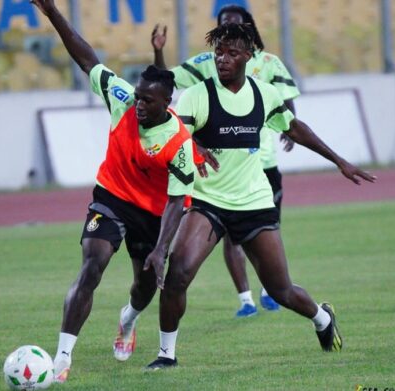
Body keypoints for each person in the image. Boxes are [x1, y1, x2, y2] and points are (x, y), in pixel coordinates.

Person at [145, 23, 376, 370]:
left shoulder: (264, 94)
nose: (223, 59)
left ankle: (321, 318)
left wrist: (339, 161)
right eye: (218, 53)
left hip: (254, 203)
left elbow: (294, 128)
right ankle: (166, 355)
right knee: (177, 274)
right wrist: (195, 145)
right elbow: (176, 131)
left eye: (232, 53)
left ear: (248, 57)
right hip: (208, 203)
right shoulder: (197, 95)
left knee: (281, 290)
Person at [29, 0, 198, 383]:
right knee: (92, 265)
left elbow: (177, 201)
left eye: (147, 101)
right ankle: (62, 358)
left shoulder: (178, 142)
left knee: (143, 287)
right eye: (137, 96)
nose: (137, 104)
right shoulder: (122, 99)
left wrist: (160, 248)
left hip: (153, 214)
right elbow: (87, 58)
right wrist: (54, 12)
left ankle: (128, 319)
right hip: (110, 196)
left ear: (166, 104)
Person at [151, 4, 299, 317]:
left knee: (263, 237)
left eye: (235, 23)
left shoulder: (268, 63)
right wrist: (159, 53)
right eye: (223, 24)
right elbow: (167, 82)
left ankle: (270, 289)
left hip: (262, 165)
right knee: (231, 237)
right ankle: (246, 298)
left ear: (248, 29)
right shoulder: (208, 64)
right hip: (216, 171)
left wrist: (290, 128)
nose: (224, 57)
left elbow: (286, 102)